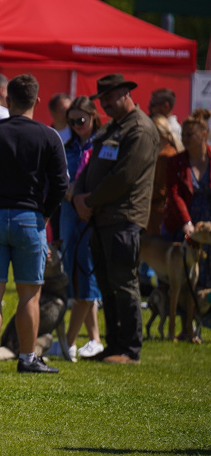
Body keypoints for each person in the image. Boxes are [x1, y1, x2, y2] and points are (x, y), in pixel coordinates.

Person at [0, 73, 69, 374]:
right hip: (29, 219)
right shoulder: (49, 136)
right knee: (29, 294)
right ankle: (26, 357)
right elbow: (61, 183)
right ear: (37, 101)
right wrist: (45, 214)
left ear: (7, 100)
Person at [73, 74, 159, 364]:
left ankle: (130, 349)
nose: (105, 104)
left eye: (109, 97)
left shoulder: (140, 130)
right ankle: (113, 346)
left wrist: (89, 201)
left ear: (125, 92)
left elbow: (123, 177)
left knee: (123, 283)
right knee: (106, 284)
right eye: (102, 99)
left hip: (123, 217)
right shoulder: (113, 127)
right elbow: (91, 166)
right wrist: (78, 197)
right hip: (102, 216)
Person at [58, 96, 103, 361]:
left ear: (93, 116)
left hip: (92, 217)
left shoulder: (103, 146)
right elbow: (57, 179)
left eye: (81, 120)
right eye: (71, 121)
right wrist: (69, 193)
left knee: (87, 273)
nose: (76, 125)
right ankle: (94, 338)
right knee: (72, 273)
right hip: (68, 215)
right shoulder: (67, 147)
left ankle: (71, 341)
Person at [163, 108, 211, 289]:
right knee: (181, 278)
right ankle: (181, 314)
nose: (184, 138)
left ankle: (204, 314)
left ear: (203, 134)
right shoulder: (175, 162)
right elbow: (174, 194)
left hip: (208, 229)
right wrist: (186, 223)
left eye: (190, 134)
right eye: (183, 134)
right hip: (183, 225)